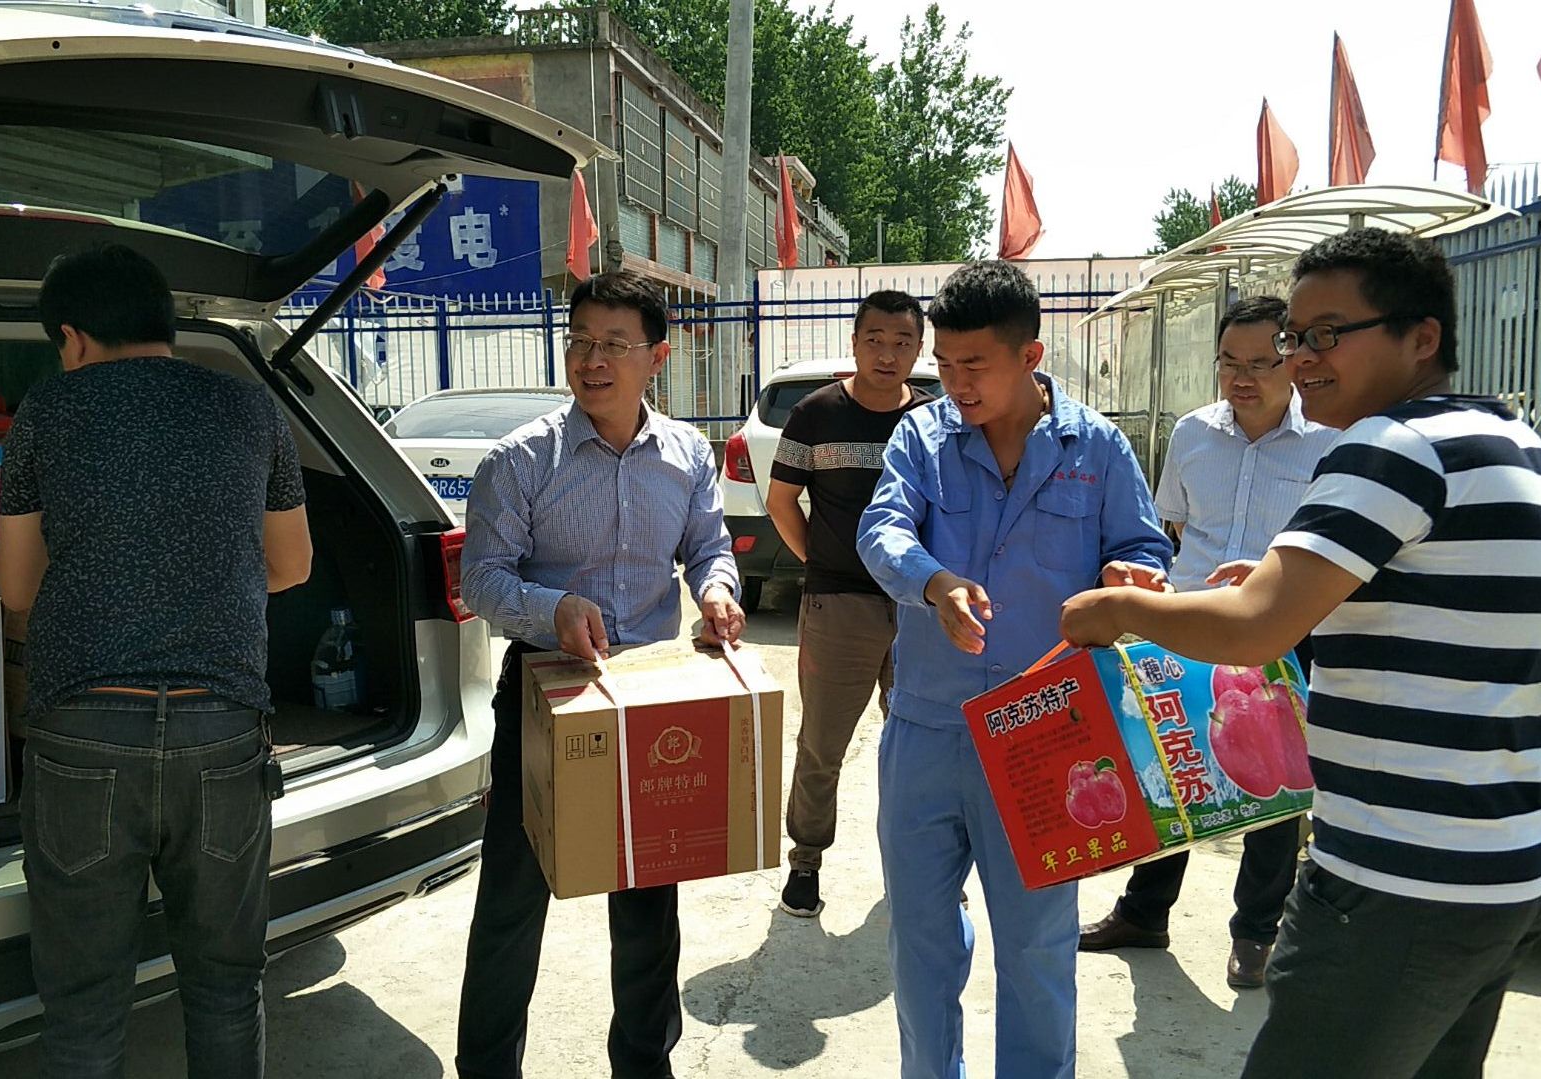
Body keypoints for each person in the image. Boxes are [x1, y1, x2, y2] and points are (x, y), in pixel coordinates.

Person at [1061, 228, 1541, 1079]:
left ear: (1422, 337)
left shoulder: (1390, 448)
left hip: (1401, 875)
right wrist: (1281, 588)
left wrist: (1118, 609)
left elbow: (1252, 628)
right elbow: (1431, 606)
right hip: (1508, 866)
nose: (1302, 358)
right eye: (1295, 335)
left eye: (1329, 333)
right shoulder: (1513, 444)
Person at [0, 244, 314, 1079]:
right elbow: (293, 565)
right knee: (226, 988)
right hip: (223, 732)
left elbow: (17, 587)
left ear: (72, 337)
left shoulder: (47, 409)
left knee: (84, 1010)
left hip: (83, 731)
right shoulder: (249, 406)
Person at [857, 260, 1172, 1078]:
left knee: (1037, 947)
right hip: (929, 728)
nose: (956, 383)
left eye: (975, 365)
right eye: (945, 364)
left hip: (1050, 736)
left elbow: (1142, 547)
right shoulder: (922, 438)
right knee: (920, 940)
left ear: (1030, 356)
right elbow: (881, 530)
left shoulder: (1096, 448)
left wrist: (1132, 578)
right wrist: (935, 582)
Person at [455, 270, 746, 1079]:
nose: (592, 360)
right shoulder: (522, 460)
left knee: (648, 903)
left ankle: (644, 1064)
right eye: (580, 341)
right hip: (545, 694)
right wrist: (553, 609)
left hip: (648, 698)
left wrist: (718, 590)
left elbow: (708, 548)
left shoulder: (685, 454)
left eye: (614, 344)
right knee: (514, 898)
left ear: (657, 356)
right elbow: (481, 578)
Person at [1079, 294, 1338, 988]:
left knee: (1274, 785)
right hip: (1190, 626)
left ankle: (1256, 932)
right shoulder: (1193, 433)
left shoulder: (1329, 443)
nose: (1241, 378)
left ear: (1292, 361)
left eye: (1259, 363)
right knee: (1171, 766)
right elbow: (1172, 529)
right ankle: (1145, 912)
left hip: (1284, 633)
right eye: (1229, 362)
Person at [768, 290, 933, 918]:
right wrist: (820, 560)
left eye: (901, 342)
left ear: (919, 349)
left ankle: (920, 865)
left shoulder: (933, 420)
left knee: (919, 744)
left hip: (919, 607)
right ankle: (806, 862)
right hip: (839, 606)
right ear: (855, 342)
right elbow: (782, 500)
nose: (887, 354)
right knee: (822, 743)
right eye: (875, 341)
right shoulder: (814, 414)